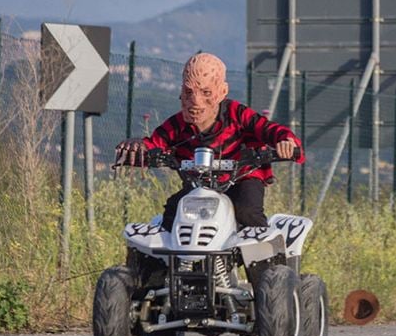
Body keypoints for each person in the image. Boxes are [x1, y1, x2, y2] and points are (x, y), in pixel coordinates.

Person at [114, 52, 302, 230]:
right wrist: (138, 148)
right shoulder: (177, 124)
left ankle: (266, 261)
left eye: (205, 92)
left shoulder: (238, 114)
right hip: (199, 185)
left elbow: (269, 129)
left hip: (242, 179)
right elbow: (156, 142)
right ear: (181, 92)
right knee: (173, 211)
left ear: (222, 92)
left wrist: (286, 142)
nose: (195, 101)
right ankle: (159, 262)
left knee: (247, 211)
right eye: (188, 92)